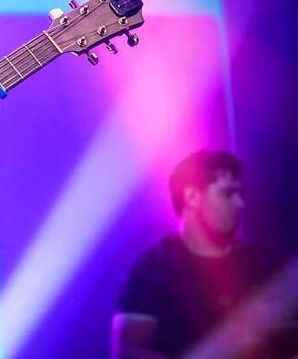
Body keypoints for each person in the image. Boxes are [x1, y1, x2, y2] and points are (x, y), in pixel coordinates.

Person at [110, 149, 286, 358]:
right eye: (228, 193)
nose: (240, 204)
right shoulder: (154, 270)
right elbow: (128, 352)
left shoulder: (261, 263)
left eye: (240, 194)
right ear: (192, 196)